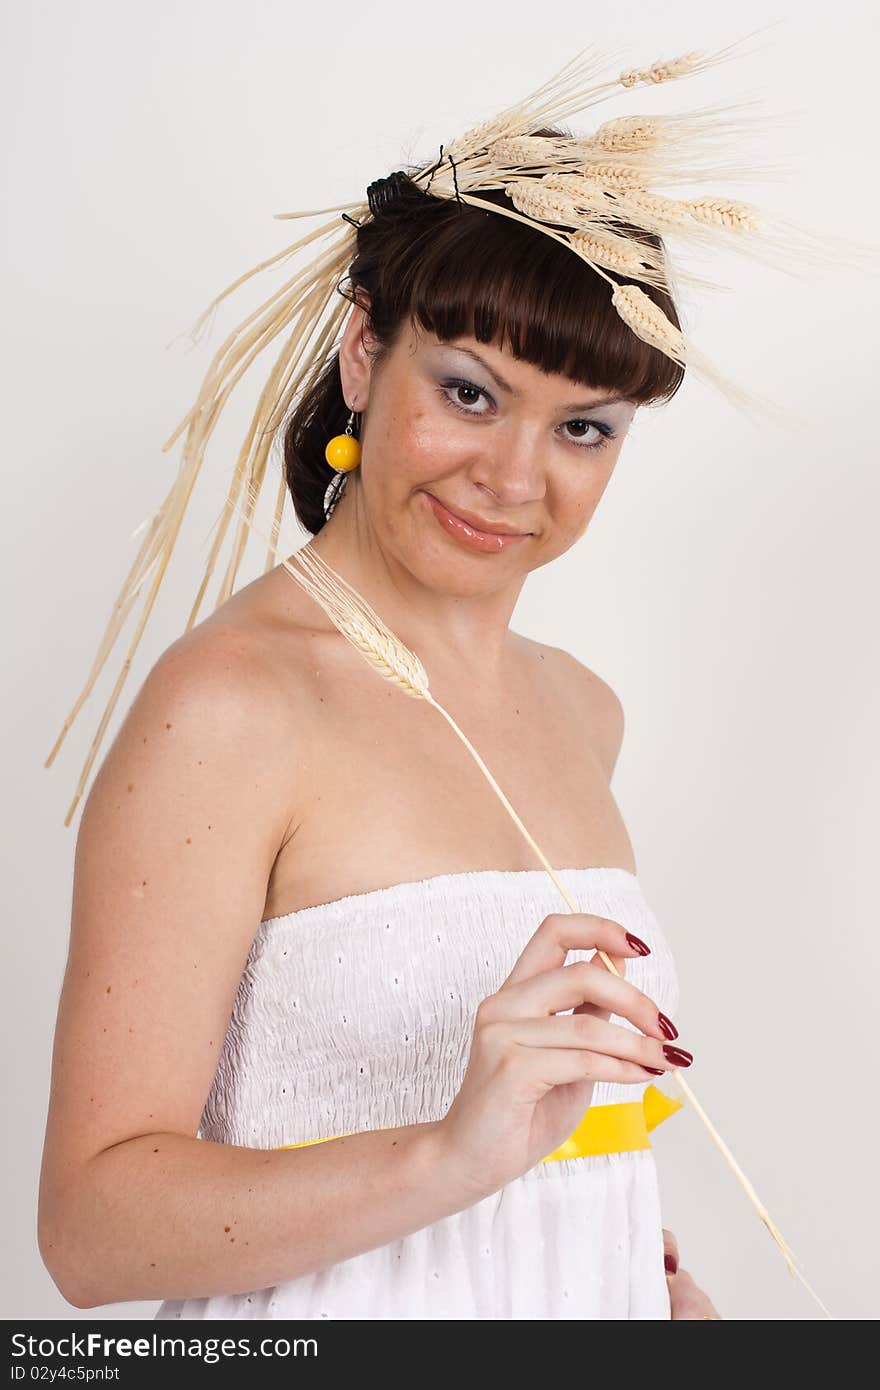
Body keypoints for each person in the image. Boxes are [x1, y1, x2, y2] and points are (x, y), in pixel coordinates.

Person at [37, 157, 722, 1320]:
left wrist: (661, 1290)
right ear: (363, 353)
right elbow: (90, 1235)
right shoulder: (229, 709)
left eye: (584, 428)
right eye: (469, 392)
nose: (513, 476)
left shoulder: (580, 709)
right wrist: (444, 1156)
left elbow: (560, 1162)